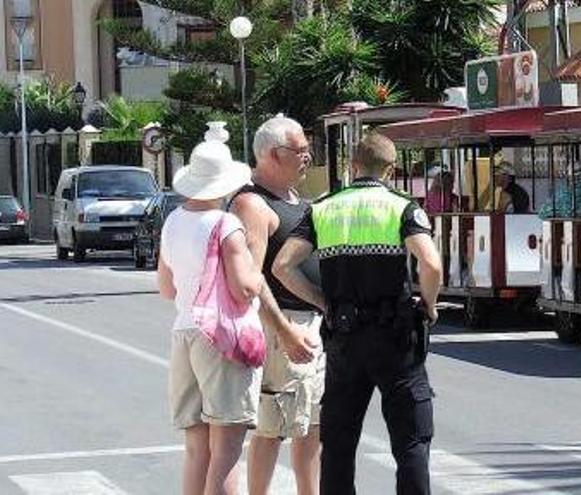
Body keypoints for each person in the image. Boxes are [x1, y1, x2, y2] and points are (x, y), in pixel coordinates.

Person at [272, 132, 442, 494]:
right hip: (396, 340)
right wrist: (428, 305)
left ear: (352, 166)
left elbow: (282, 266)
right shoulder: (402, 207)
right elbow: (431, 264)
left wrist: (323, 302)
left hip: (345, 340)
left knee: (338, 443)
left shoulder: (322, 208)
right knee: (411, 441)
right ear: (391, 169)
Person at [157, 131, 263, 495]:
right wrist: (256, 269)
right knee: (227, 448)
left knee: (196, 448)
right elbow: (244, 288)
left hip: (184, 331)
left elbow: (166, 288)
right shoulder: (225, 225)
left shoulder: (172, 222)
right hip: (219, 338)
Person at [228, 115, 324, 495]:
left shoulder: (297, 200)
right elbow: (252, 279)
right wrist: (284, 330)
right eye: (299, 150)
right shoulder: (253, 203)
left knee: (312, 424)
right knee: (274, 425)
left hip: (312, 325)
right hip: (283, 328)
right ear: (272, 154)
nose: (307, 156)